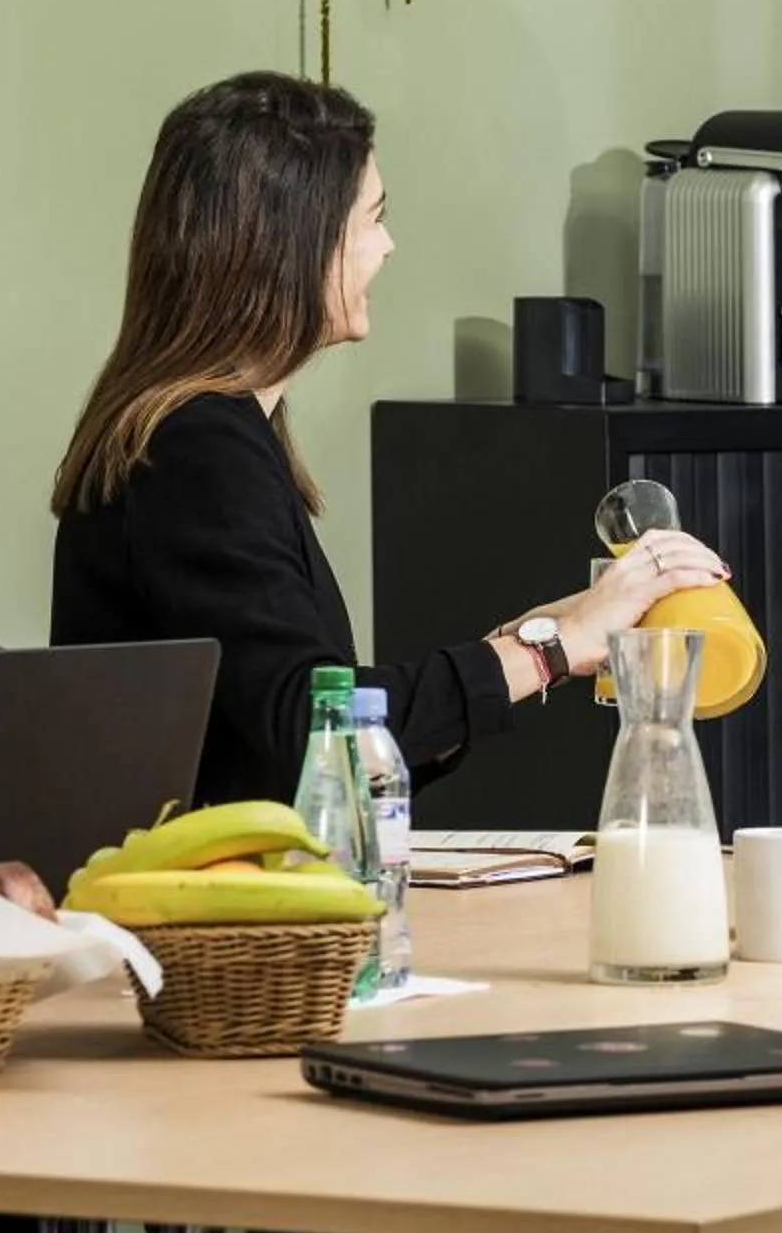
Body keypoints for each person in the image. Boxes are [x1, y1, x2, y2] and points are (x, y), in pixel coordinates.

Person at [52, 71, 729, 804]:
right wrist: (551, 651)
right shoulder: (196, 450)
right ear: (293, 241)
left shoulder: (213, 434)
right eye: (371, 218)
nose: (388, 246)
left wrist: (558, 628)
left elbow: (324, 719)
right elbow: (316, 733)